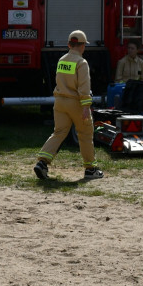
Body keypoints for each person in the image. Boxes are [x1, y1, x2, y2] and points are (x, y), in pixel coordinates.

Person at [34, 30, 103, 181]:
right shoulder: (81, 63)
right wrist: (86, 106)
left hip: (60, 102)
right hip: (75, 103)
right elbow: (84, 86)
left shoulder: (62, 60)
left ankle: (42, 162)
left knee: (58, 133)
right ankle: (90, 169)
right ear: (83, 46)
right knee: (85, 134)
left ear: (69, 44)